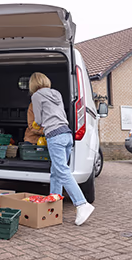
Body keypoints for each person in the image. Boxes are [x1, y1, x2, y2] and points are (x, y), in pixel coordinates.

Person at [29, 72, 95, 226]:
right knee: (56, 171)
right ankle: (54, 203)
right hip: (66, 134)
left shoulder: (37, 96)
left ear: (33, 84)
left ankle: (82, 204)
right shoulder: (56, 93)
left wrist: (36, 125)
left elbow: (38, 119)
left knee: (62, 170)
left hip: (54, 136)